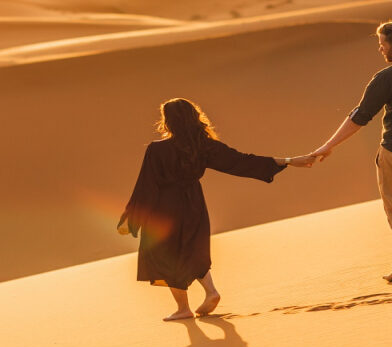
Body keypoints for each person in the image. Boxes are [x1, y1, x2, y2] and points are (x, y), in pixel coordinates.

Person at [117, 98, 314, 321]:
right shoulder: (204, 146)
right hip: (193, 203)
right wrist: (288, 160)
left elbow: (146, 185)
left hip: (165, 207)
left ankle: (183, 308)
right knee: (192, 248)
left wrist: (132, 218)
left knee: (165, 256)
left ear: (168, 121)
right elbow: (240, 162)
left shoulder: (157, 150)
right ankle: (211, 291)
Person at [310, 21, 392, 282]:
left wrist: (327, 145)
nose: (380, 48)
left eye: (383, 42)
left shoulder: (385, 79)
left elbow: (360, 116)